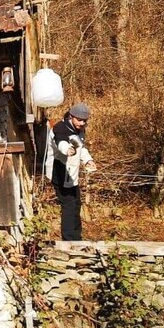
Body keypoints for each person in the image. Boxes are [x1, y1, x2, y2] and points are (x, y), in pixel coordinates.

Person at [43, 102, 96, 241]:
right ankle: (69, 240)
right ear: (71, 116)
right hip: (59, 169)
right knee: (69, 205)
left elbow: (81, 147)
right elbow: (60, 142)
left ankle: (77, 237)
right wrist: (67, 149)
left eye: (85, 120)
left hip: (72, 173)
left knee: (76, 203)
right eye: (79, 120)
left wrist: (88, 160)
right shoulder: (60, 128)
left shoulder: (79, 129)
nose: (82, 123)